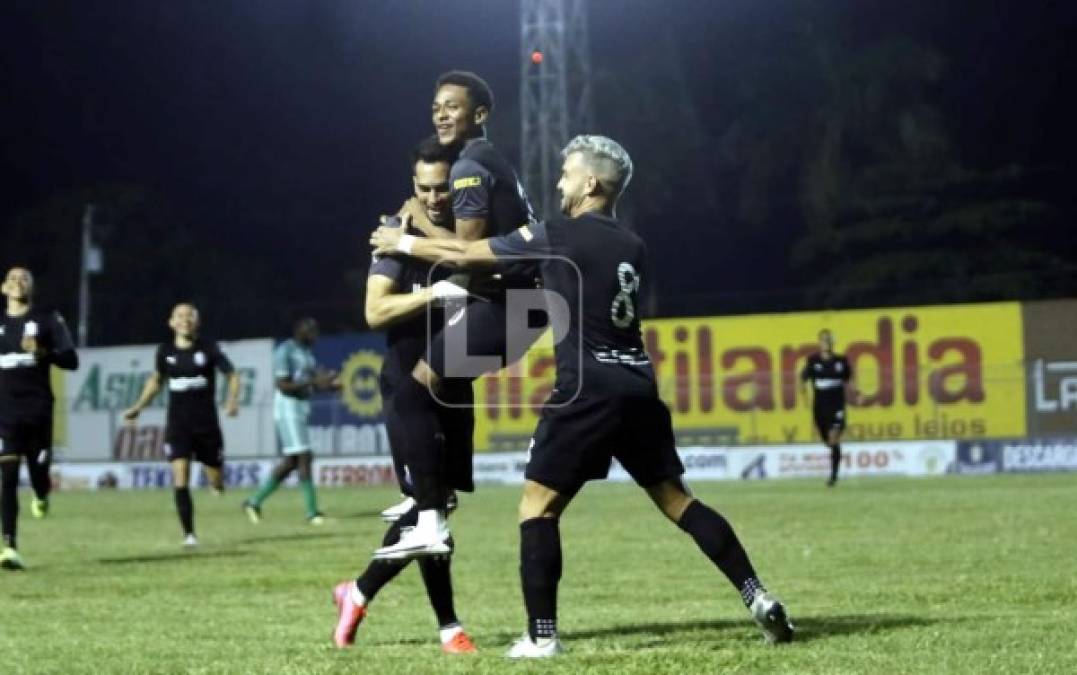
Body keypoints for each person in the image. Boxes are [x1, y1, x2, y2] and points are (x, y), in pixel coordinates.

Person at [371, 135, 795, 657]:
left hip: (585, 391)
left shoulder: (558, 234)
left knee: (537, 509)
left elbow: (468, 252)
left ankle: (541, 638)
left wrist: (404, 244)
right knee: (678, 502)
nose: (559, 182)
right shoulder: (632, 245)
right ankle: (758, 597)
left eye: (567, 173)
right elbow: (533, 274)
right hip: (638, 384)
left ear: (590, 183)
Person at [373, 70, 540, 559]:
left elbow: (469, 254)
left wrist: (406, 236)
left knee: (411, 394)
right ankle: (431, 496)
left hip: (514, 303)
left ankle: (428, 510)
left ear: (480, 115)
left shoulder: (468, 166)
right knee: (438, 386)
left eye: (452, 106)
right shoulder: (487, 159)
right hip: (524, 302)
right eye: (436, 107)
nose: (441, 114)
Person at [331, 136, 476, 653]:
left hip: (455, 386)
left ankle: (358, 591)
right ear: (412, 185)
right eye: (424, 187)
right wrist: (436, 291)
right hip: (408, 387)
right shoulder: (397, 233)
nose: (434, 197)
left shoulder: (467, 233)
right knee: (428, 507)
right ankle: (449, 628)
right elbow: (374, 313)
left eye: (443, 188)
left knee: (436, 509)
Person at [124, 303, 240, 547]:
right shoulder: (164, 351)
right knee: (180, 475)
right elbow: (157, 381)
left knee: (215, 476)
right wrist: (138, 407)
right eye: (180, 316)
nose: (185, 319)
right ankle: (189, 534)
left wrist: (232, 401)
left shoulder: (208, 349)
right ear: (171, 322)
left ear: (197, 322)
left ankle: (217, 483)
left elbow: (232, 375)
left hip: (207, 425)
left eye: (190, 315)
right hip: (178, 426)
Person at [0, 266, 79, 570]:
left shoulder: (48, 320)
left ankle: (41, 493)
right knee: (7, 476)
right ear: (3, 289)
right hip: (5, 413)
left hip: (38, 411)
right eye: (12, 279)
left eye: (25, 279)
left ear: (31, 288)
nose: (18, 282)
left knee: (38, 474)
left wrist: (43, 352)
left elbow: (72, 360)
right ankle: (9, 546)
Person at [243, 318, 339, 525]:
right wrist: (314, 381)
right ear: (298, 330)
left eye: (316, 330)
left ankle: (253, 502)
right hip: (287, 407)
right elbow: (283, 385)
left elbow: (310, 382)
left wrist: (328, 384)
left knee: (291, 462)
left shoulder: (307, 354)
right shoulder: (285, 350)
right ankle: (312, 513)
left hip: (300, 407)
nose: (314, 334)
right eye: (310, 330)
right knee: (304, 456)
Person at [800, 329, 857, 486]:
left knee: (834, 438)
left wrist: (857, 393)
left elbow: (849, 379)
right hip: (820, 408)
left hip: (837, 406)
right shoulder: (813, 361)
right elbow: (802, 380)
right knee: (828, 442)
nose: (827, 343)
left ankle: (833, 477)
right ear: (820, 343)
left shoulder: (841, 361)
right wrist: (804, 396)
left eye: (829, 340)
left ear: (833, 342)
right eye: (824, 340)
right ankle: (834, 465)